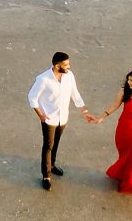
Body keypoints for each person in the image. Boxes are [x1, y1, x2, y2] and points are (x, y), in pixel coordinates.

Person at [27, 52, 97, 190]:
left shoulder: (69, 76)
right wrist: (40, 114)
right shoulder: (43, 79)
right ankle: (46, 176)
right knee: (48, 145)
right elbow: (32, 97)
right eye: (66, 64)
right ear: (57, 65)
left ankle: (52, 165)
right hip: (49, 119)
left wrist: (84, 111)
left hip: (63, 117)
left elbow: (75, 94)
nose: (69, 66)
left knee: (56, 143)